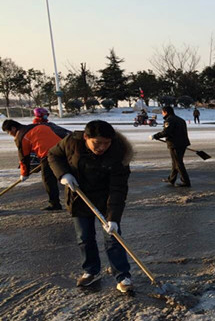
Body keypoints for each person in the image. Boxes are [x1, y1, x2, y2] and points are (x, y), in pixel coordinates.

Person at [48, 120, 134, 293]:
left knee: (113, 237)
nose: (102, 147)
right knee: (84, 237)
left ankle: (122, 275)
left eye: (106, 143)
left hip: (106, 199)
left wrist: (113, 218)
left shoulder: (119, 153)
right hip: (79, 196)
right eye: (97, 143)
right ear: (86, 137)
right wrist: (63, 174)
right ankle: (90, 270)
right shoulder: (72, 142)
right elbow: (53, 155)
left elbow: (118, 188)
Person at [2, 119, 66, 210]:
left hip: (49, 155)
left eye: (8, 132)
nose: (9, 134)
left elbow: (24, 158)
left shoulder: (21, 136)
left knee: (48, 180)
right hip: (63, 149)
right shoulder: (37, 126)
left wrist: (24, 173)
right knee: (68, 174)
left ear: (13, 128)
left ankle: (55, 204)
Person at [150, 106, 191, 187]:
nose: (162, 114)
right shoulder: (180, 119)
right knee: (175, 162)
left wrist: (155, 136)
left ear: (166, 112)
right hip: (182, 143)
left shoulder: (169, 120)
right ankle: (171, 179)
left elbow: (166, 132)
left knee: (178, 163)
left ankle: (186, 181)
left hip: (175, 144)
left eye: (162, 112)